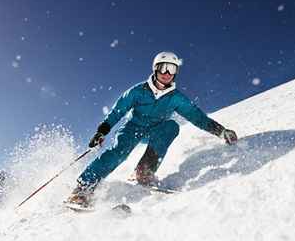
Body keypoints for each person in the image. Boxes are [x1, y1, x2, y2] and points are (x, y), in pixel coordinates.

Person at [66, 51, 238, 207]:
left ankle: (144, 171)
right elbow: (118, 111)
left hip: (156, 131)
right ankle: (82, 189)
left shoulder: (176, 98)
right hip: (133, 128)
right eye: (163, 68)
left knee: (172, 126)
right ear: (155, 69)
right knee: (119, 152)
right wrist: (102, 131)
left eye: (172, 69)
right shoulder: (138, 91)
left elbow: (197, 117)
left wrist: (221, 131)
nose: (167, 73)